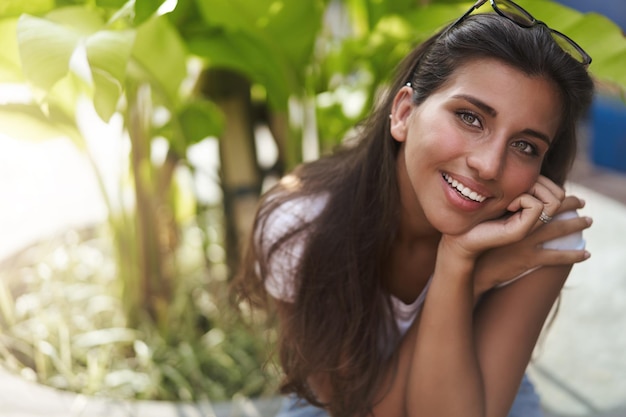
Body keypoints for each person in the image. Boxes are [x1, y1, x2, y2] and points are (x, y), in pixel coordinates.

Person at [234, 1, 595, 416]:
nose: (489, 165)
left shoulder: (542, 229)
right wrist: (469, 276)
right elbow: (360, 410)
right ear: (404, 113)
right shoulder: (301, 223)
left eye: (525, 146)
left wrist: (456, 262)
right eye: (470, 118)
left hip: (480, 387)